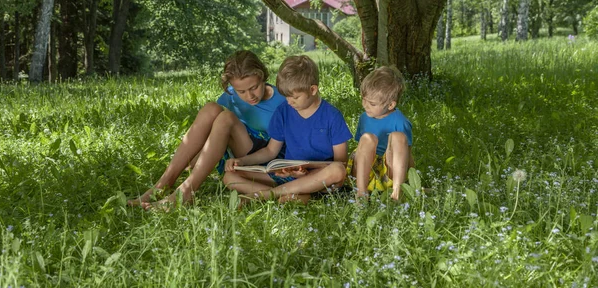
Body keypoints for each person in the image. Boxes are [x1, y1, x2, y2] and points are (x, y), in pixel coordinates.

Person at [127, 50, 286, 209]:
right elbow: (211, 127)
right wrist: (195, 157)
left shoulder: (282, 100)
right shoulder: (231, 96)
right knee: (211, 108)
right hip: (239, 150)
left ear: (262, 76)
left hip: (266, 155)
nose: (249, 96)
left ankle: (186, 192)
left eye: (254, 87)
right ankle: (163, 184)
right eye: (241, 91)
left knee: (226, 118)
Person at [223, 55, 352, 204]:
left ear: (312, 89)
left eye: (295, 97)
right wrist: (241, 161)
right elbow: (270, 151)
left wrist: (306, 168)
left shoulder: (332, 116)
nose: (289, 102)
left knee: (338, 171)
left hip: (320, 178)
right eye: (286, 97)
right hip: (289, 176)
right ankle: (294, 194)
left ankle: (268, 194)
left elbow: (341, 163)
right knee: (229, 176)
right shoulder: (283, 111)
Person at [347, 66, 413, 201]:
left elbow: (407, 154)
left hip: (388, 171)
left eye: (371, 103)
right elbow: (361, 149)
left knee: (398, 137)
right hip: (365, 171)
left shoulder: (400, 122)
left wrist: (411, 177)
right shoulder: (364, 117)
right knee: (367, 138)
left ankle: (397, 191)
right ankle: (361, 194)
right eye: (363, 99)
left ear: (390, 105)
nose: (365, 105)